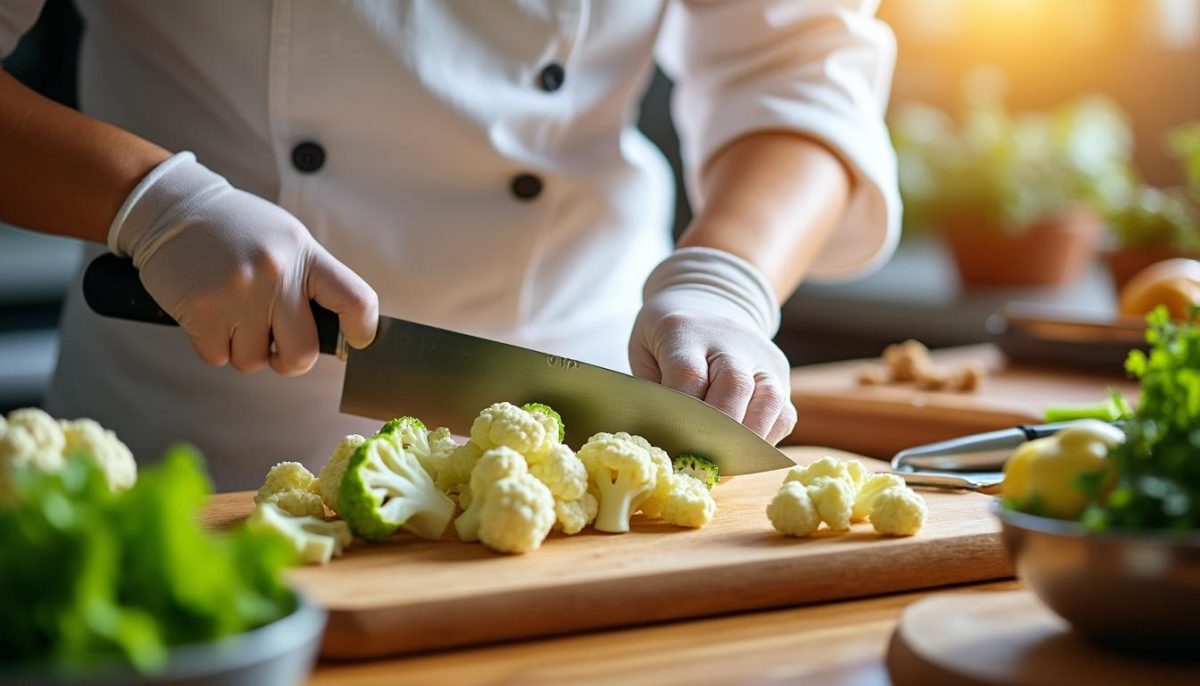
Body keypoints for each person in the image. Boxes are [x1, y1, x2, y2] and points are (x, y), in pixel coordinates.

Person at [0, 1, 899, 490]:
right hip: (196, 444)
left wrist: (726, 279)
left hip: (589, 418)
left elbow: (797, 67)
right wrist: (150, 201)